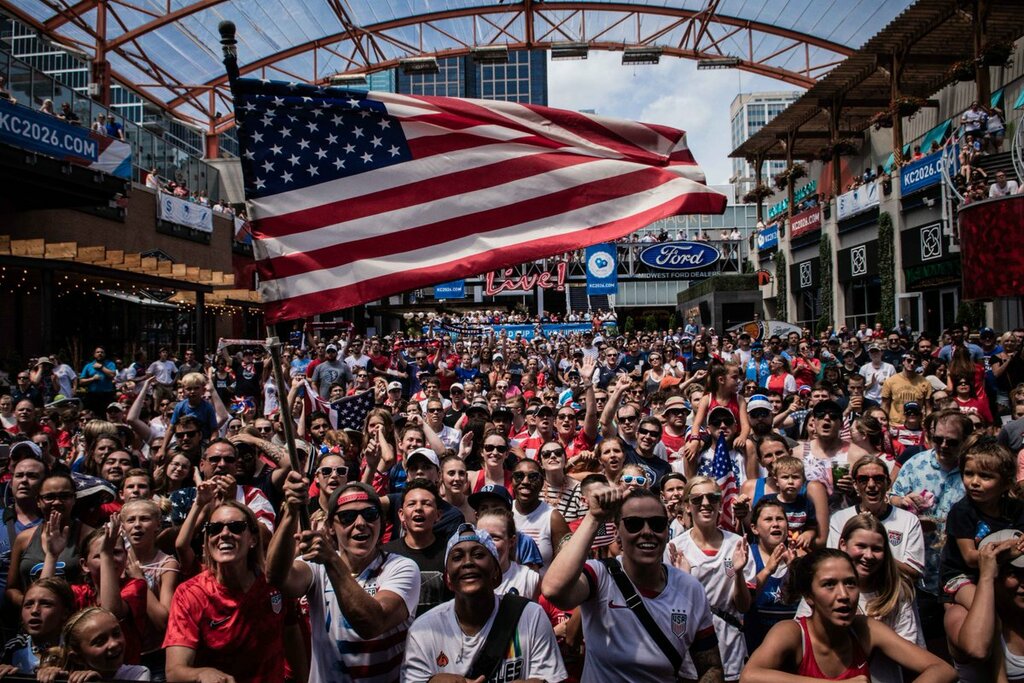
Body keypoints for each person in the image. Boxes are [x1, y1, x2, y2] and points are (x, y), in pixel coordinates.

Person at [542, 485, 725, 681]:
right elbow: (553, 589)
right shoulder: (600, 575)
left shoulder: (690, 589)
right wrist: (594, 517)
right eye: (633, 524)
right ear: (618, 533)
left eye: (657, 524)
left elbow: (710, 667)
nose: (647, 532)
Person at [267, 477, 420, 683]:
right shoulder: (316, 565)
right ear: (330, 526)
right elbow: (277, 577)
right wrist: (290, 511)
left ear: (381, 522)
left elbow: (372, 624)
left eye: (370, 514)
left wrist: (331, 559)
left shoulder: (402, 567)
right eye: (347, 517)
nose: (360, 524)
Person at [741, 549, 955, 683]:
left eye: (850, 583)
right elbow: (749, 677)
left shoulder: (863, 629)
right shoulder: (792, 633)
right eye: (829, 584)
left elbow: (943, 670)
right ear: (809, 596)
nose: (843, 595)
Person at [401, 523, 566, 681]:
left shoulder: (530, 617)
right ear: (448, 580)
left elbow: (550, 678)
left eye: (478, 555)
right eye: (457, 557)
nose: (468, 563)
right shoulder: (423, 630)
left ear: (496, 573)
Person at [164, 501, 286, 683]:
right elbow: (174, 671)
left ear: (253, 539)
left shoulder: (274, 584)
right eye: (215, 528)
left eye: (236, 527)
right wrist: (201, 674)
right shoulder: (190, 594)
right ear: (207, 539)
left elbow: (292, 636)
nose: (225, 534)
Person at [800, 514, 923, 683]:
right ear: (843, 544)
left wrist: (875, 634)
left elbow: (911, 651)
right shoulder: (820, 591)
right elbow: (805, 640)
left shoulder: (896, 591)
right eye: (861, 546)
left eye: (877, 549)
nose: (869, 555)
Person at [667, 476, 754, 682]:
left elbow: (743, 606)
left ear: (719, 503)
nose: (705, 504)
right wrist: (685, 582)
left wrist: (739, 572)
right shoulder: (675, 548)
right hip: (690, 650)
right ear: (687, 506)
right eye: (697, 499)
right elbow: (669, 611)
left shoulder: (737, 545)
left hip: (729, 647)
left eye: (712, 498)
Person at [940, 434, 1024, 610]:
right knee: (986, 610)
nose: (974, 482)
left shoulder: (1016, 509)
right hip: (963, 576)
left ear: (1006, 483)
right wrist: (1005, 551)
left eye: (985, 477)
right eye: (969, 474)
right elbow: (970, 558)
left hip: (1001, 571)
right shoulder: (962, 511)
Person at [828, 455, 925, 582]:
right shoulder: (840, 519)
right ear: (855, 485)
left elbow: (914, 573)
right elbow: (833, 564)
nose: (871, 485)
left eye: (878, 479)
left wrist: (879, 557)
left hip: (895, 596)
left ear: (888, 483)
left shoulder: (909, 520)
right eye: (863, 479)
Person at [382, 479, 452, 615]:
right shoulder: (386, 554)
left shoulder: (452, 552)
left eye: (426, 504)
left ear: (438, 515)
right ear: (401, 515)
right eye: (412, 504)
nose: (418, 508)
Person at [743, 498, 798, 653]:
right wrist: (768, 570)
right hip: (755, 644)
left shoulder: (799, 558)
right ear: (754, 528)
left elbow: (800, 601)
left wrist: (793, 569)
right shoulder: (747, 556)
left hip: (790, 646)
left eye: (780, 519)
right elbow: (744, 602)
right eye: (768, 519)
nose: (775, 524)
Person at [37, 607, 151, 681]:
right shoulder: (63, 676)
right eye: (100, 641)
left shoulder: (137, 674)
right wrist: (48, 677)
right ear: (78, 658)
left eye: (116, 633)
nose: (114, 644)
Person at [0, 578, 75, 676]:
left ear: (65, 612)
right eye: (28, 604)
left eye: (46, 604)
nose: (34, 610)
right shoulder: (13, 648)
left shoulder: (76, 650)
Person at [511, 458, 570, 569]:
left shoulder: (553, 518)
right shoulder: (504, 511)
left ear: (542, 482)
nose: (525, 482)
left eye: (533, 477)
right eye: (519, 476)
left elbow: (566, 562)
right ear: (512, 480)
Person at [475, 508, 540, 599]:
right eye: (481, 537)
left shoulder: (529, 579)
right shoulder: (465, 578)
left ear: (511, 541)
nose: (487, 544)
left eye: (495, 538)